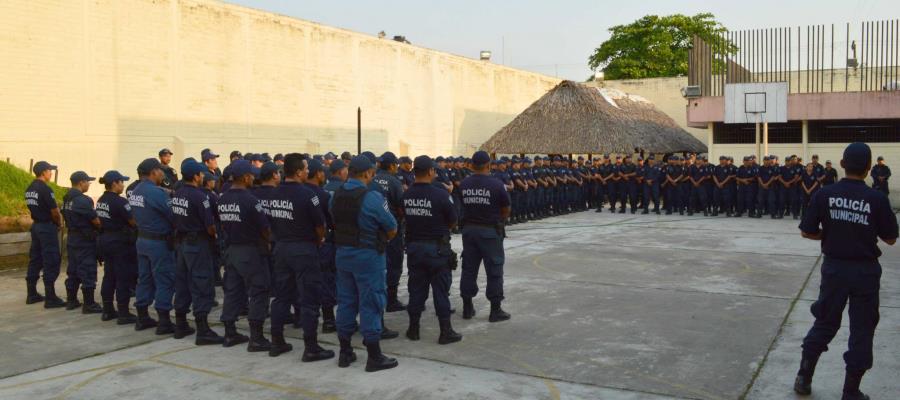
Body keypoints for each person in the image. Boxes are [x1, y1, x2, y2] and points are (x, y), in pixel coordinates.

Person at [794, 142, 898, 400]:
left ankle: (804, 378)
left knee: (825, 322)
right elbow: (891, 239)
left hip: (834, 269)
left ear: (841, 164)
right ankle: (850, 391)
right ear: (868, 168)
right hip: (865, 273)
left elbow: (807, 231)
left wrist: (830, 235)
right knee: (862, 329)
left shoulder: (824, 194)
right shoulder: (877, 198)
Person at [332, 155, 399, 372]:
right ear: (367, 173)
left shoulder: (336, 195)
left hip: (343, 255)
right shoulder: (372, 198)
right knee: (371, 302)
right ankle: (374, 356)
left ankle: (345, 351)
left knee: (346, 302)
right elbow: (392, 228)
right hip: (368, 257)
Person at [268, 154, 334, 360]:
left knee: (281, 297)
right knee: (309, 299)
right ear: (297, 172)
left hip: (281, 249)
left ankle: (277, 342)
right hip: (303, 250)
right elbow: (320, 227)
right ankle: (311, 347)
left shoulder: (274, 194)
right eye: (305, 169)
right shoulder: (308, 195)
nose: (308, 171)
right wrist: (317, 241)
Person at [402, 155, 463, 345]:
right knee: (440, 291)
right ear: (430, 172)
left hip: (415, 248)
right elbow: (453, 220)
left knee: (416, 290)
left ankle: (414, 329)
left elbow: (402, 216)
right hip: (436, 249)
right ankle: (445, 331)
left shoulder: (407, 194)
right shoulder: (440, 194)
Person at [217, 160, 273, 352]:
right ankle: (256, 337)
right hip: (250, 250)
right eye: (251, 175)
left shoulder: (222, 198)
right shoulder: (250, 200)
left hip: (231, 249)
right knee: (259, 290)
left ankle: (229, 331)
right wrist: (268, 242)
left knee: (233, 290)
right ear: (246, 177)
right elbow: (264, 228)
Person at [171, 160, 224, 345]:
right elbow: (210, 226)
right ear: (195, 176)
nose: (203, 177)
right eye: (201, 174)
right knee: (202, 282)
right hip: (198, 243)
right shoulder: (200, 197)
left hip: (182, 242)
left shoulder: (178, 193)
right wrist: (215, 236)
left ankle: (180, 323)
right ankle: (203, 330)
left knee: (183, 282)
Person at [459, 151, 511, 323]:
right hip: (490, 232)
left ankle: (467, 307)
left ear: (472, 165)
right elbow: (506, 208)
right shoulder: (496, 184)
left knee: (469, 269)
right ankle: (495, 310)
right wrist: (499, 221)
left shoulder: (464, 184)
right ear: (489, 165)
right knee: (494, 270)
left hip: (469, 231)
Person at [129, 158, 176, 333]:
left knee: (145, 278)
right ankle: (164, 321)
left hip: (142, 240)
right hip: (159, 242)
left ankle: (142, 317)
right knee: (164, 279)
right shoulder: (156, 193)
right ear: (154, 172)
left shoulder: (135, 191)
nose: (163, 173)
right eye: (161, 170)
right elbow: (173, 216)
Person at [96, 170, 138, 323]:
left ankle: (107, 310)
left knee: (109, 275)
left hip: (105, 239)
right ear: (114, 183)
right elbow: (133, 221)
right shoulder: (120, 202)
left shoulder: (101, 200)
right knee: (123, 277)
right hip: (119, 241)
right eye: (121, 182)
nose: (123, 185)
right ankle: (123, 312)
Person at [368, 152, 407, 312]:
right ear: (391, 166)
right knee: (394, 263)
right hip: (391, 228)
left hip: (372, 230)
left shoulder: (371, 179)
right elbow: (400, 207)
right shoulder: (394, 181)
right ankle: (391, 299)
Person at [24, 161, 65, 308]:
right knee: (51, 259)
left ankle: (32, 293)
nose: (51, 173)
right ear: (43, 172)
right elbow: (54, 211)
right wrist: (59, 223)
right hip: (47, 227)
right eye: (49, 170)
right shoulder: (45, 189)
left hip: (36, 226)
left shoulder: (29, 189)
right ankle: (50, 297)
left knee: (35, 258)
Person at [61, 171, 102, 313]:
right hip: (85, 239)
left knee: (73, 270)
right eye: (87, 182)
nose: (89, 184)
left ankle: (71, 300)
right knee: (88, 270)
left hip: (72, 238)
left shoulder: (67, 198)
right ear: (81, 183)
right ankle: (89, 304)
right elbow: (96, 221)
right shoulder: (83, 200)